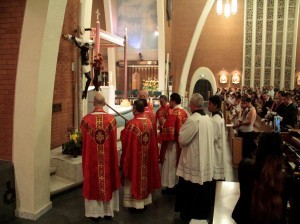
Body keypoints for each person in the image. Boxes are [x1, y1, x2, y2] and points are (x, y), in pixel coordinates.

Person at [232, 132, 293, 224]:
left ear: (258, 149)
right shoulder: (287, 179)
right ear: (281, 154)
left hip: (246, 218)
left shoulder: (244, 167)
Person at [80, 92, 120, 220]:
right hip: (107, 160)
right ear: (104, 103)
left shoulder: (85, 120)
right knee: (107, 179)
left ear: (93, 103)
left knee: (93, 182)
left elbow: (83, 139)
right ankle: (108, 211)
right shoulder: (112, 120)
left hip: (92, 160)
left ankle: (94, 213)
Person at [175, 93, 214, 221]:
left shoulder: (193, 120)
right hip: (205, 160)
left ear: (191, 105)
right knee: (201, 188)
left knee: (191, 188)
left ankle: (189, 213)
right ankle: (201, 212)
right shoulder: (208, 118)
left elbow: (183, 139)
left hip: (194, 160)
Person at [120, 100, 161, 212]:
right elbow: (153, 143)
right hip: (146, 159)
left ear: (134, 109)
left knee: (133, 177)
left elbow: (124, 140)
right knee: (144, 177)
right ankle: (145, 202)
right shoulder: (149, 123)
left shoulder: (132, 124)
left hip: (134, 159)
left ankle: (134, 204)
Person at [160, 93, 189, 194]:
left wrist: (163, 123)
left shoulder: (174, 114)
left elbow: (169, 132)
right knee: (177, 164)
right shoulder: (184, 112)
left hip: (172, 145)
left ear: (173, 101)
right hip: (181, 145)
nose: (169, 103)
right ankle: (177, 184)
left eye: (170, 101)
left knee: (170, 165)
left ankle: (170, 186)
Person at [208, 95, 229, 180]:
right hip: (219, 147)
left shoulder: (216, 119)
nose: (208, 106)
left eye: (210, 104)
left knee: (215, 174)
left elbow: (212, 137)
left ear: (216, 105)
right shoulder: (219, 114)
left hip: (216, 148)